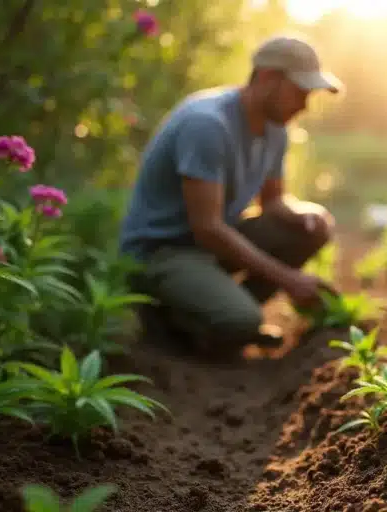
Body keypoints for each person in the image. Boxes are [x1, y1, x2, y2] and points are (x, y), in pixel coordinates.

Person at [118, 34, 343, 358]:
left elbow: (274, 203)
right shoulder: (207, 125)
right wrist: (289, 279)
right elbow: (207, 228)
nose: (304, 106)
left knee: (313, 229)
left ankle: (220, 313)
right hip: (164, 250)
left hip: (209, 245)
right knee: (241, 321)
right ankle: (179, 320)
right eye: (300, 92)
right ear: (267, 78)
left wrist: (307, 214)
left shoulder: (275, 129)